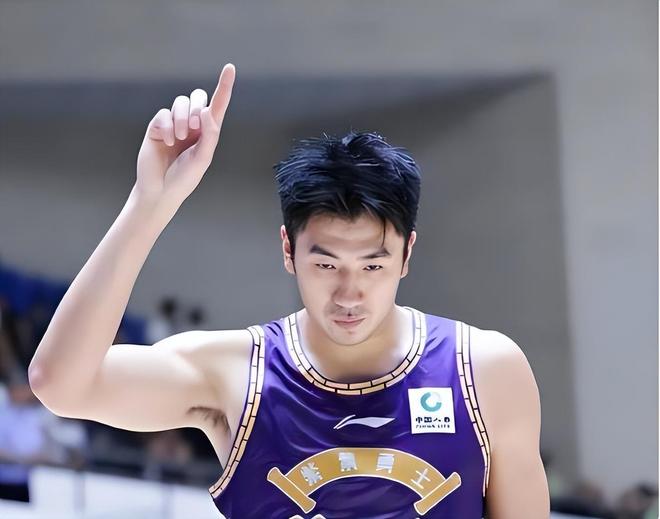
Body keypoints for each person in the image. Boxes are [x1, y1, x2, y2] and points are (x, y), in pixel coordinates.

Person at [26, 63, 549, 518]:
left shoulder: (485, 369)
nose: (349, 293)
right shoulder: (237, 373)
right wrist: (150, 203)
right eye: (326, 264)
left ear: (407, 254)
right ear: (288, 250)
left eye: (372, 265)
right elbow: (60, 385)